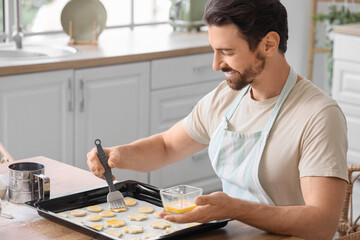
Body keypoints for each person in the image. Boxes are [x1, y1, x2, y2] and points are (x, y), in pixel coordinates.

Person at [87, 0, 348, 239]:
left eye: (227, 52)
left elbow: (322, 222)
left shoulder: (318, 115)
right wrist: (120, 154)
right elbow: (167, 146)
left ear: (269, 44)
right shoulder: (226, 97)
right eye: (214, 50)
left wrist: (235, 208)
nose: (216, 64)